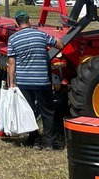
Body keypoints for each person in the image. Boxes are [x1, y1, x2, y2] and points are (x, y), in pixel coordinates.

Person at [7, 9, 64, 149]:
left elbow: (12, 63)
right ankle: (50, 142)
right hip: (41, 81)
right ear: (29, 21)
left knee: (29, 111)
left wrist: (12, 83)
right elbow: (59, 44)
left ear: (16, 23)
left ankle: (34, 139)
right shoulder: (40, 34)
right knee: (47, 111)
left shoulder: (13, 39)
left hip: (24, 82)